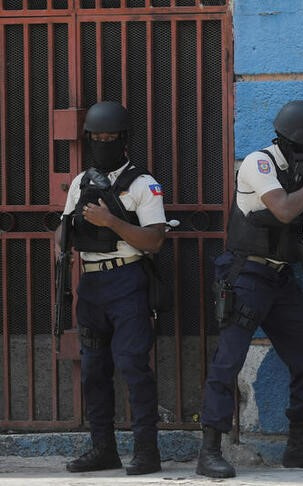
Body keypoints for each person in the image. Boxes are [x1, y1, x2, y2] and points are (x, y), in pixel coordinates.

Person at [196, 100, 303, 478]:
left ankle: (300, 446)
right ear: (294, 141)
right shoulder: (261, 164)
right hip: (246, 275)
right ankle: (209, 450)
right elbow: (286, 211)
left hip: (278, 278)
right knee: (228, 360)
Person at [57, 101, 167, 474]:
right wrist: (65, 230)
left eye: (110, 138)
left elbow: (154, 241)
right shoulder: (81, 182)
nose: (103, 143)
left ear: (123, 140)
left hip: (127, 280)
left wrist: (110, 221)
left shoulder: (142, 184)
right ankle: (103, 448)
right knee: (93, 370)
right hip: (91, 284)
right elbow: (63, 233)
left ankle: (146, 452)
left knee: (133, 366)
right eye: (97, 138)